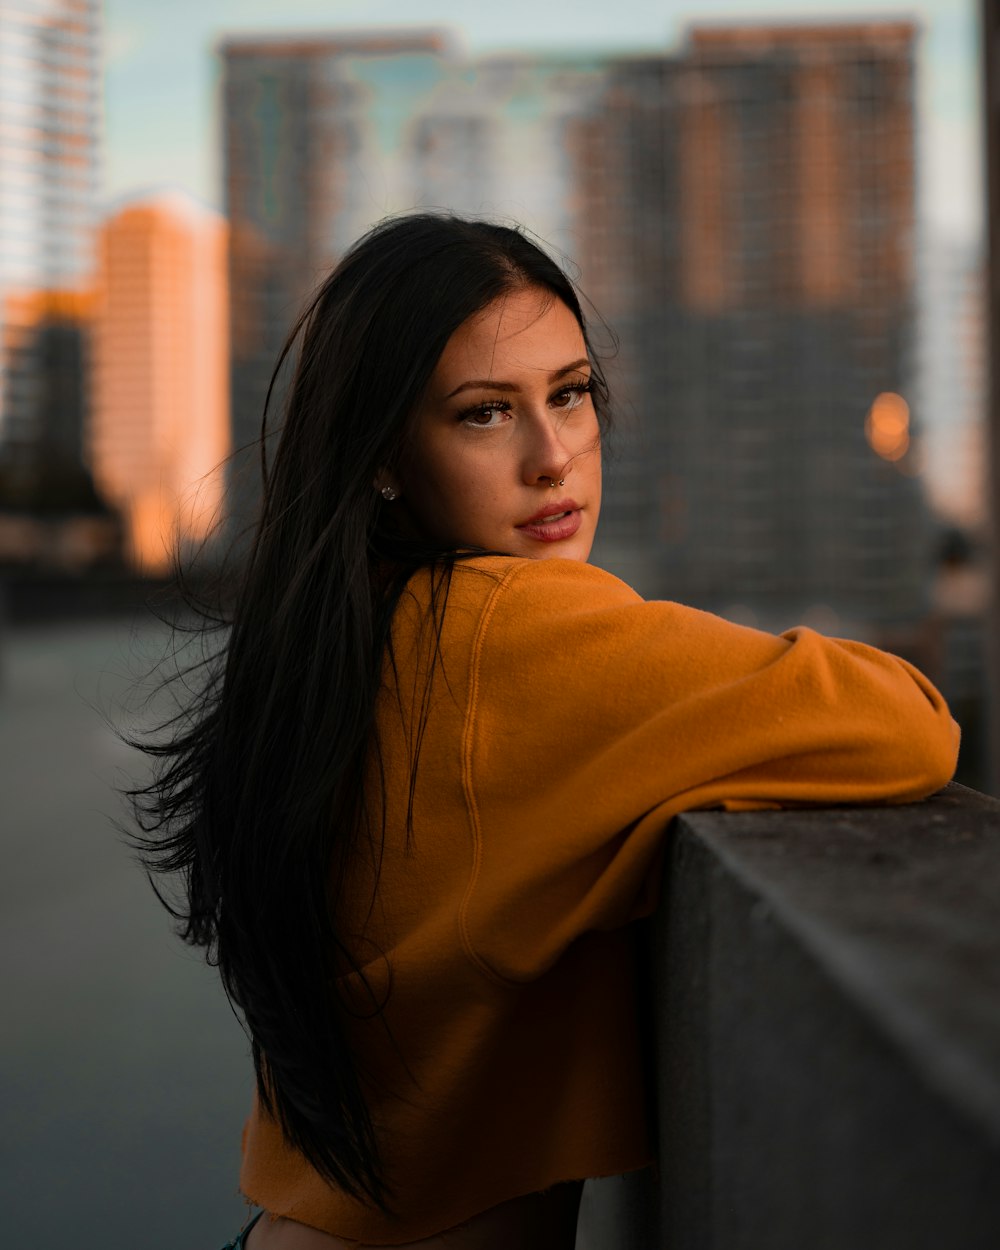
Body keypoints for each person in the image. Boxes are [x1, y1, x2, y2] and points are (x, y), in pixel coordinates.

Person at [130, 213, 958, 1250]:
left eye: (569, 393)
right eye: (484, 414)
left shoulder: (344, 638)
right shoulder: (499, 629)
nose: (552, 454)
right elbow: (907, 721)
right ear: (385, 452)